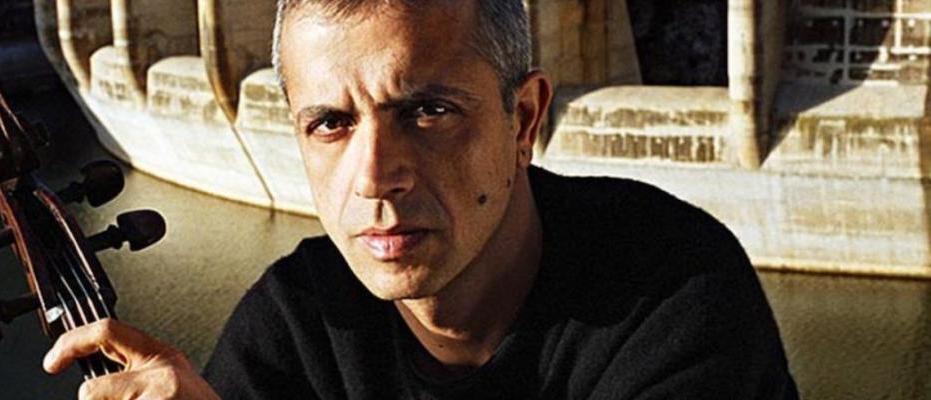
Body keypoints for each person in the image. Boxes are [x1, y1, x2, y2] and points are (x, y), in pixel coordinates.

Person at [42, 0, 800, 398]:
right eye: (331, 124)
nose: (375, 177)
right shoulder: (298, 322)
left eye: (429, 112)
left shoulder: (674, 289)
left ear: (523, 120)